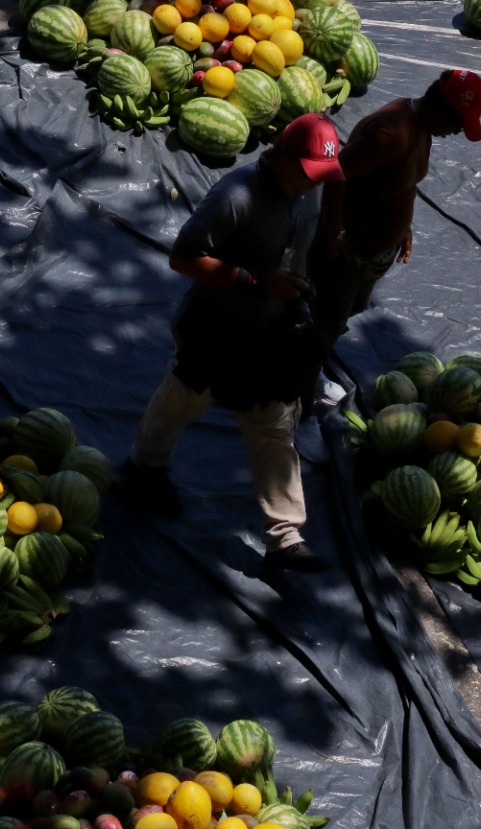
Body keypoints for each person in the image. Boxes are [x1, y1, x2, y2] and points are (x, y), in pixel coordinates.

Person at [121, 112, 344, 574]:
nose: (312, 183)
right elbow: (182, 257)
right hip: (216, 328)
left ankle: (284, 536)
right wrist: (254, 281)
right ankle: (145, 469)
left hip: (270, 333)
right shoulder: (236, 195)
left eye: (320, 176)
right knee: (184, 398)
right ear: (282, 155)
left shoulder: (309, 193)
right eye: (307, 172)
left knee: (273, 422)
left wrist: (299, 290)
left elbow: (298, 253)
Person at [307, 69, 481, 354]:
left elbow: (400, 183)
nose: (456, 133)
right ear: (442, 111)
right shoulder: (391, 135)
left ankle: (320, 355)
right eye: (457, 125)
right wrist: (335, 234)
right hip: (347, 251)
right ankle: (306, 377)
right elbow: (336, 174)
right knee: (325, 319)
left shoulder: (423, 127)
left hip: (372, 250)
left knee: (351, 310)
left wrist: (402, 227)